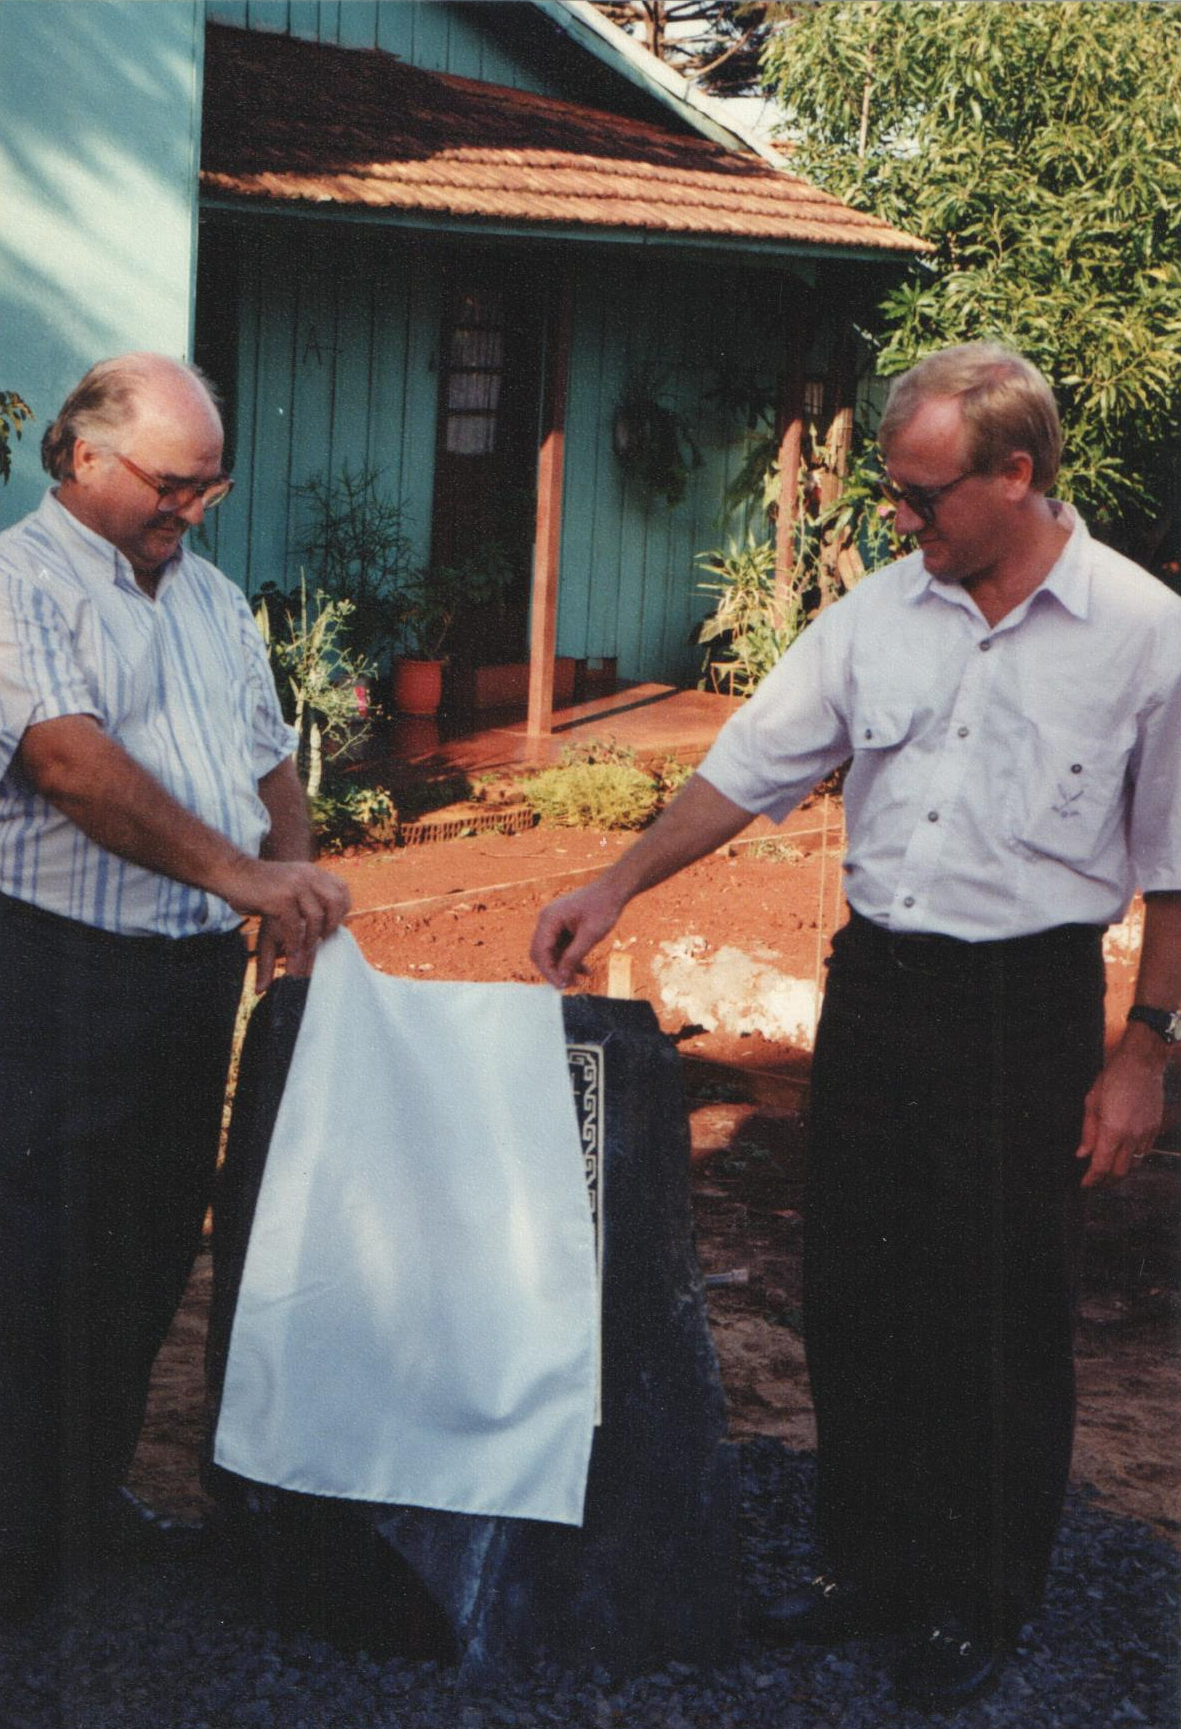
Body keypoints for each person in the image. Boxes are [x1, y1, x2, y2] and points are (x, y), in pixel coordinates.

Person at [531, 343, 1181, 1710]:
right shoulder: (876, 616)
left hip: (1027, 1006)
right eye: (893, 490)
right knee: (860, 1286)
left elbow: (1178, 870)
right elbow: (745, 770)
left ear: (1016, 474)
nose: (898, 516)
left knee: (997, 1309)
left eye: (923, 494)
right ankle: (870, 1568)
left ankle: (975, 1599)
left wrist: (1143, 1049)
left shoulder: (1143, 633)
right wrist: (613, 883)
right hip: (879, 986)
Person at [0, 353, 351, 1617]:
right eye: (172, 485)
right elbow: (70, 765)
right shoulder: (17, 583)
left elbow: (268, 762)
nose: (192, 509)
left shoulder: (208, 597)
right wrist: (241, 876)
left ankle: (85, 1496)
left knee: (148, 1248)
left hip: (190, 978)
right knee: (36, 1260)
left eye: (210, 487)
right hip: (59, 974)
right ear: (84, 456)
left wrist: (287, 885)